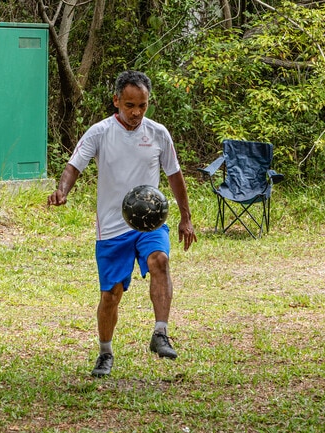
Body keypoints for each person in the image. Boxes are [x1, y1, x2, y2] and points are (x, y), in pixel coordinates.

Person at [47, 70, 197, 377]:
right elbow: (74, 165)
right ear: (116, 101)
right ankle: (105, 352)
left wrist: (186, 217)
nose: (136, 112)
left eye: (142, 105)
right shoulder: (100, 132)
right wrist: (62, 190)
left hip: (150, 223)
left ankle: (160, 333)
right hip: (113, 227)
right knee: (111, 294)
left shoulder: (158, 134)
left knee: (160, 261)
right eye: (129, 105)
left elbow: (175, 175)